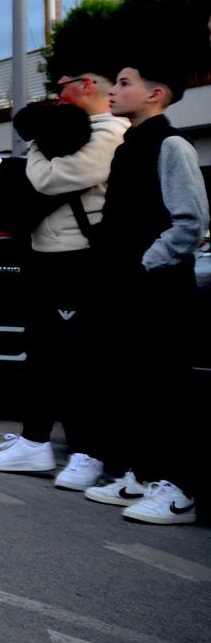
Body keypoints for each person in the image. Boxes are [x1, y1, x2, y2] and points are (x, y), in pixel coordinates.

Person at [0, 69, 125, 486]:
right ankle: (36, 442)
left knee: (77, 361)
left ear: (87, 85)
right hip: (50, 255)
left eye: (64, 85)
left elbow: (49, 178)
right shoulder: (82, 128)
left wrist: (38, 144)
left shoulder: (112, 131)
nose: (57, 93)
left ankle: (86, 454)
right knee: (44, 353)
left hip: (78, 259)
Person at [85, 58, 208, 524]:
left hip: (158, 291)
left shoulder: (172, 144)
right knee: (133, 385)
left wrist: (143, 265)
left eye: (123, 83)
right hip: (127, 290)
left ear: (155, 94)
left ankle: (179, 492)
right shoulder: (129, 145)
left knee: (166, 389)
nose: (111, 91)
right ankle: (140, 476)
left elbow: (190, 222)